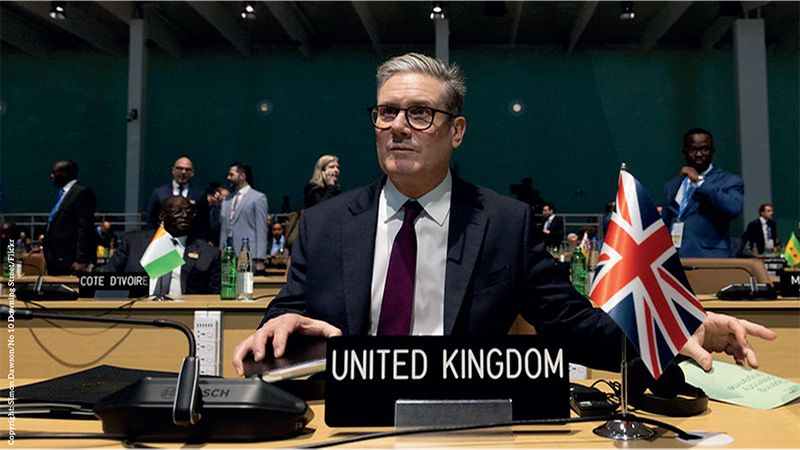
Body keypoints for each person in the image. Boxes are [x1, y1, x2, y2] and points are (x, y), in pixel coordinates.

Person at [233, 53, 774, 378]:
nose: (398, 126)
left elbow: (576, 326)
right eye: (386, 112)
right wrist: (277, 328)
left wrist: (678, 329)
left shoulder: (506, 224)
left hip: (466, 421)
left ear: (457, 131)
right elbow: (281, 324)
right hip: (346, 423)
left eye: (420, 113)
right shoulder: (327, 225)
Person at [105, 196, 220, 295]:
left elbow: (214, 296)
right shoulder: (133, 242)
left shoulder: (209, 253)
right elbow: (107, 279)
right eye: (178, 211)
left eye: (189, 212)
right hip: (137, 312)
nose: (185, 215)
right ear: (162, 216)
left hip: (184, 314)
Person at [661, 128, 744, 258]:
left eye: (704, 149)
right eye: (693, 149)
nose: (699, 154)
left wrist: (699, 181)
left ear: (712, 151)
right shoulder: (672, 185)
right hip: (676, 259)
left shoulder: (729, 180)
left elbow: (733, 208)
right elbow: (665, 222)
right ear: (684, 152)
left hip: (709, 258)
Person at [44, 160, 96, 275]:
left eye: (55, 172)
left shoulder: (81, 193)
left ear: (65, 173)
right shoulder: (62, 194)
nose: (51, 176)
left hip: (71, 259)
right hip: (55, 258)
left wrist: (81, 259)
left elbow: (84, 227)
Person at [219, 162, 268, 273]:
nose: (228, 178)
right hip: (228, 253)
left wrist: (260, 258)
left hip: (248, 253)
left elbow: (261, 229)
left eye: (232, 175)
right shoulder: (227, 200)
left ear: (242, 176)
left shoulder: (258, 198)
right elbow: (223, 228)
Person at [146, 156, 209, 238]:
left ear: (192, 173)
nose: (183, 172)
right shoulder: (159, 193)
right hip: (163, 239)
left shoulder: (199, 195)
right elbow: (151, 221)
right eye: (179, 168)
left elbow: (204, 222)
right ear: (173, 170)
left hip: (190, 241)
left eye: (187, 169)